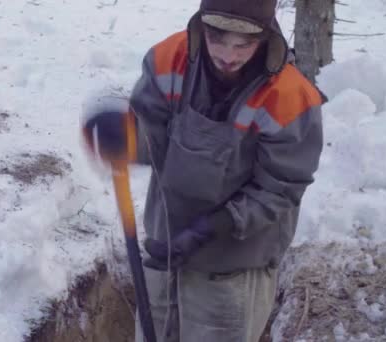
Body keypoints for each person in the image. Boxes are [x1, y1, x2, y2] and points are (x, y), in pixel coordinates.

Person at [81, 0, 324, 341]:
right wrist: (127, 137)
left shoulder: (290, 97)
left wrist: (215, 226)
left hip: (233, 267)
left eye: (244, 45)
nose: (229, 55)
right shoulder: (169, 59)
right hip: (164, 249)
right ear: (201, 28)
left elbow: (282, 186)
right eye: (217, 40)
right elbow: (152, 133)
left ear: (266, 37)